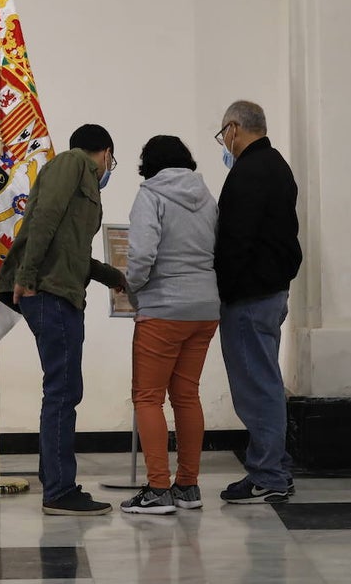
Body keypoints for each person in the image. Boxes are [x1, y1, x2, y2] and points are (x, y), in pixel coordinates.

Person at [0, 124, 127, 516]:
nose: (108, 168)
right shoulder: (71, 163)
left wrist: (112, 277)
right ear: (105, 152)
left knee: (63, 389)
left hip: (60, 290)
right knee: (63, 390)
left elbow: (70, 250)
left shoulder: (78, 175)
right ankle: (58, 489)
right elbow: (44, 219)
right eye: (111, 160)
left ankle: (56, 483)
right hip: (48, 291)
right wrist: (26, 276)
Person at [118, 136, 220, 515]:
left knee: (148, 397)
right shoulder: (207, 197)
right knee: (187, 395)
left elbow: (142, 254)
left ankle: (158, 489)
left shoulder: (151, 195)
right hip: (205, 308)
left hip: (163, 308)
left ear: (149, 163)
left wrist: (134, 286)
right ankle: (188, 487)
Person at [214, 100, 302, 504]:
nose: (224, 143)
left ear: (234, 127)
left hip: (249, 296)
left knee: (257, 386)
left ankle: (268, 475)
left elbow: (236, 240)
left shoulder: (248, 172)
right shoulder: (278, 166)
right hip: (272, 290)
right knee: (266, 381)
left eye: (223, 134)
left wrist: (223, 289)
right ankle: (276, 467)